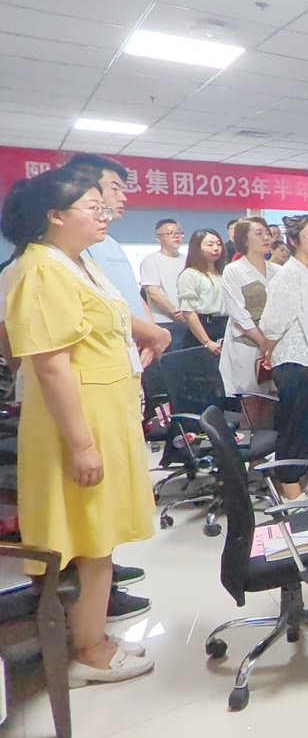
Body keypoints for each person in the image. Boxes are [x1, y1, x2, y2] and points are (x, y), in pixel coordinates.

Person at [1, 169, 155, 686]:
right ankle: (91, 652)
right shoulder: (42, 270)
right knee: (91, 536)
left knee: (98, 534)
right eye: (94, 207)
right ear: (56, 216)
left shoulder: (74, 262)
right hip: (79, 422)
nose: (105, 215)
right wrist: (82, 445)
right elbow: (50, 366)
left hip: (102, 411)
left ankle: (92, 635)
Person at [60, 154, 167, 621]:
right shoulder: (59, 260)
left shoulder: (105, 246)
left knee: (106, 504)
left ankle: (105, 574)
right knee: (90, 501)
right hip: (88, 392)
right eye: (112, 189)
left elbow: (125, 304)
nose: (119, 199)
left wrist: (148, 336)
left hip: (122, 375)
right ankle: (89, 606)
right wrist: (153, 333)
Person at [260, 215, 308, 500]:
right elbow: (272, 323)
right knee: (296, 427)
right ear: (293, 241)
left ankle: (299, 482)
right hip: (295, 360)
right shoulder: (289, 275)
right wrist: (267, 351)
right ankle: (290, 491)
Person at [219, 218, 278, 426]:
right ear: (244, 240)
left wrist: (271, 344)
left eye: (267, 233)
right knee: (251, 401)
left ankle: (267, 444)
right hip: (247, 342)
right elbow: (238, 314)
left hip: (273, 343)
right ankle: (250, 445)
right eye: (258, 233)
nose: (265, 237)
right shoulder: (234, 270)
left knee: (270, 400)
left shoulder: (277, 270)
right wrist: (263, 343)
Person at [139, 218, 187, 350]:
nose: (176, 236)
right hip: (164, 322)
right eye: (170, 233)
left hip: (189, 321)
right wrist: (175, 312)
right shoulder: (151, 261)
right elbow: (153, 293)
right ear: (158, 238)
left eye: (178, 233)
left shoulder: (188, 260)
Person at [176, 228, 227, 352]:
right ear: (197, 249)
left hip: (226, 325)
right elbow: (188, 312)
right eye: (210, 244)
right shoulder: (190, 274)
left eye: (219, 244)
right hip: (203, 328)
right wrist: (207, 342)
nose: (216, 248)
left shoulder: (225, 273)